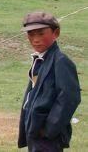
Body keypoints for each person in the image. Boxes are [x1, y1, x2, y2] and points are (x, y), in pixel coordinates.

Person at [18, 12, 81, 151]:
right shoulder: (41, 60)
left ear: (56, 33)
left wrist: (49, 128)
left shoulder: (61, 62)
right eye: (31, 34)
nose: (36, 40)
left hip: (47, 135)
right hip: (35, 130)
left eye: (41, 34)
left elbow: (70, 98)